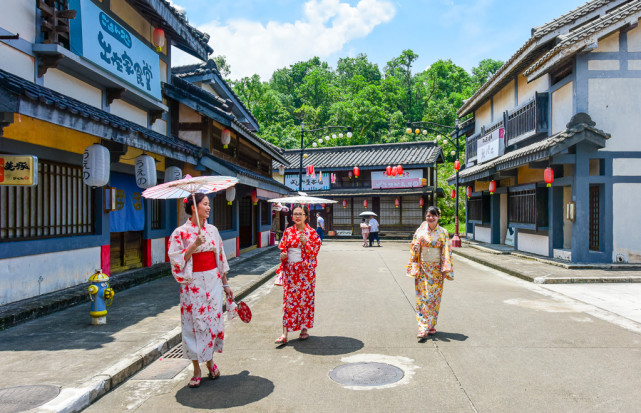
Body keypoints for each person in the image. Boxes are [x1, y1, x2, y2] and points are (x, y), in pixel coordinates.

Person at [168, 192, 233, 388]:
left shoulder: (212, 230)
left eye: (209, 204)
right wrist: (194, 245)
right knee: (193, 325)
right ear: (194, 207)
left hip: (212, 281)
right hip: (192, 283)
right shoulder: (180, 233)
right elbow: (176, 261)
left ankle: (211, 362)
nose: (209, 207)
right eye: (205, 204)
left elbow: (220, 258)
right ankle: (196, 369)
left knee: (212, 322)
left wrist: (226, 284)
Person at [275, 204, 322, 344]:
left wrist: (306, 243)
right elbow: (283, 249)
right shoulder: (288, 231)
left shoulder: (312, 233)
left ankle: (304, 329)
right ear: (292, 216)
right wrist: (283, 256)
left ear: (306, 217)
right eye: (295, 214)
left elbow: (315, 252)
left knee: (305, 301)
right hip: (291, 272)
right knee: (288, 301)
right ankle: (284, 334)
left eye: (300, 214)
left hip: (306, 273)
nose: (297, 216)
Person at [406, 206, 453, 339]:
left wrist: (445, 269)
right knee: (423, 298)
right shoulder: (420, 231)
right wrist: (415, 248)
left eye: (433, 215)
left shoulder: (443, 232)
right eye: (428, 215)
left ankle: (431, 325)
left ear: (438, 217)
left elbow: (446, 252)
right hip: (423, 269)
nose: (430, 218)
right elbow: (413, 246)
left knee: (434, 298)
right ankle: (422, 327)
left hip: (437, 270)